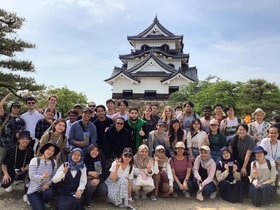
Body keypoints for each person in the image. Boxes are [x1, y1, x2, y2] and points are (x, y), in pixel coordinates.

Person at [27, 142, 59, 210]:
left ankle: (45, 201)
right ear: (44, 149)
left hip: (46, 189)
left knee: (50, 192)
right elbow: (31, 176)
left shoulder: (54, 162)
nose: (50, 152)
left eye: (52, 151)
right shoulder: (35, 160)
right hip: (34, 190)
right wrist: (42, 177)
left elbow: (54, 176)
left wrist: (48, 183)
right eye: (48, 149)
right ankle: (34, 200)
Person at [0, 93, 26, 174]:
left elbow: (21, 131)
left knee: (11, 162)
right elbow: (0, 106)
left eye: (18, 108)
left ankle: (8, 178)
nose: (16, 109)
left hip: (14, 145)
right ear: (11, 108)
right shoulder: (6, 116)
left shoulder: (21, 121)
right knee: (1, 160)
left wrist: (19, 134)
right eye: (14, 107)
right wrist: (7, 96)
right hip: (3, 143)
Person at [228, 123, 255, 195]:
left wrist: (244, 167)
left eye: (243, 130)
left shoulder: (251, 140)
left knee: (244, 174)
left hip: (248, 160)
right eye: (240, 129)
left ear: (246, 131)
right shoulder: (235, 137)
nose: (241, 131)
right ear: (237, 130)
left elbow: (248, 155)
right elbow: (230, 147)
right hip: (238, 159)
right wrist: (230, 159)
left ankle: (246, 192)